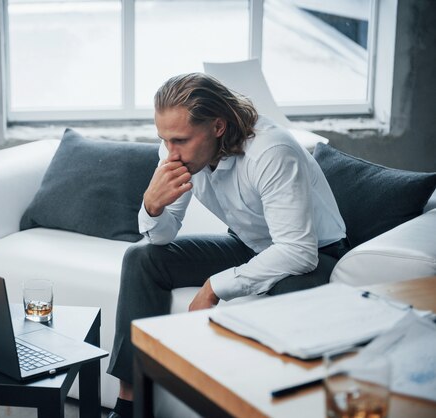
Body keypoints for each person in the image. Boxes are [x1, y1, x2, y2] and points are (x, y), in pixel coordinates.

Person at [105, 73, 349, 418]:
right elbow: (161, 237)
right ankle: (129, 405)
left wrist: (214, 286)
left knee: (293, 292)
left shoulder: (271, 150)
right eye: (164, 139)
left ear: (218, 127)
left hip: (316, 254)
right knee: (142, 257)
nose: (170, 153)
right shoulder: (180, 151)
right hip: (248, 244)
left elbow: (297, 251)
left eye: (180, 140)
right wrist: (151, 206)